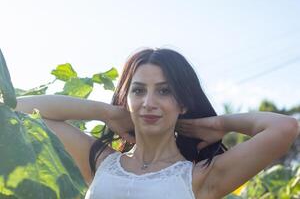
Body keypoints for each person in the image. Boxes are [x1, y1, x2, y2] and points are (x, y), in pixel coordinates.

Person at [15, 48, 299, 199]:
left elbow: (284, 128)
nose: (149, 102)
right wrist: (107, 112)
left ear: (183, 102)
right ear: (127, 99)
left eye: (164, 91)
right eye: (138, 91)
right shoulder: (100, 163)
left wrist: (219, 123)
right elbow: (17, 110)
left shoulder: (200, 178)